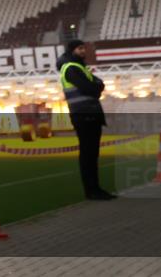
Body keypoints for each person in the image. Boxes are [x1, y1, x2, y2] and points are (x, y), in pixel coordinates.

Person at [57, 39, 116, 200]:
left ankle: (94, 189)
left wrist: (97, 87)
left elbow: (99, 84)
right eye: (79, 48)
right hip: (84, 115)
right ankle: (92, 190)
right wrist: (97, 88)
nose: (83, 51)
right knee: (88, 154)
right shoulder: (71, 68)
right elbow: (92, 88)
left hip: (88, 114)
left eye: (83, 48)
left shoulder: (78, 67)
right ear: (72, 50)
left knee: (91, 154)